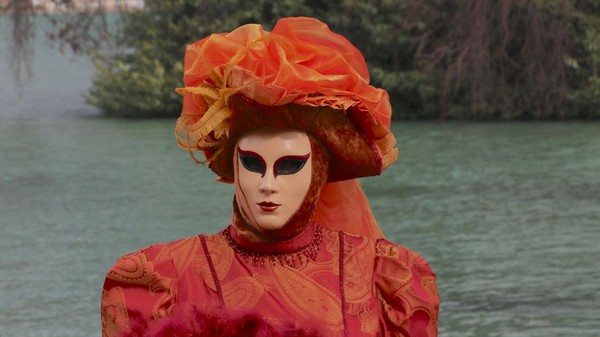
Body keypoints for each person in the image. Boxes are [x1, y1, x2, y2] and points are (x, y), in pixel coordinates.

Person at [101, 17, 439, 337]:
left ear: (318, 171)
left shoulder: (385, 275)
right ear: (233, 165)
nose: (268, 184)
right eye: (252, 163)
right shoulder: (165, 278)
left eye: (290, 165)